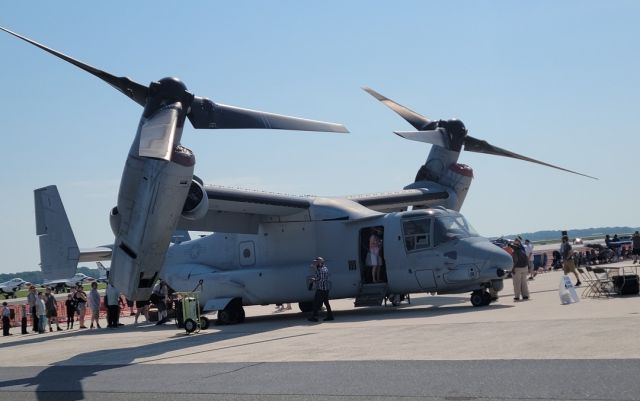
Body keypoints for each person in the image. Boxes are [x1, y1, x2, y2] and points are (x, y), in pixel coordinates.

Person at [308, 257, 334, 322]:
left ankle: (314, 317)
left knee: (315, 303)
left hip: (321, 289)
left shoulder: (322, 270)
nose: (315, 263)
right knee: (326, 303)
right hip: (325, 289)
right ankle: (330, 316)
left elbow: (321, 279)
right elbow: (319, 276)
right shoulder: (323, 268)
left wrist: (314, 280)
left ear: (320, 263)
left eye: (316, 262)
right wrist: (315, 269)